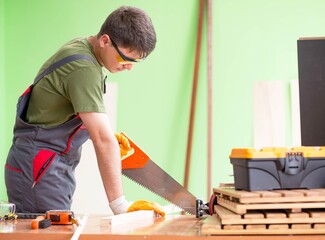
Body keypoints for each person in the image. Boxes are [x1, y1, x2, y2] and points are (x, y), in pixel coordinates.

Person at [5, 6, 164, 217]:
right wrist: (120, 205)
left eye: (135, 62)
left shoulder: (84, 48)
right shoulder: (83, 68)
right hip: (40, 170)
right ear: (105, 41)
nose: (129, 67)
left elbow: (59, 112)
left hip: (45, 166)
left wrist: (99, 136)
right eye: (125, 59)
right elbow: (102, 139)